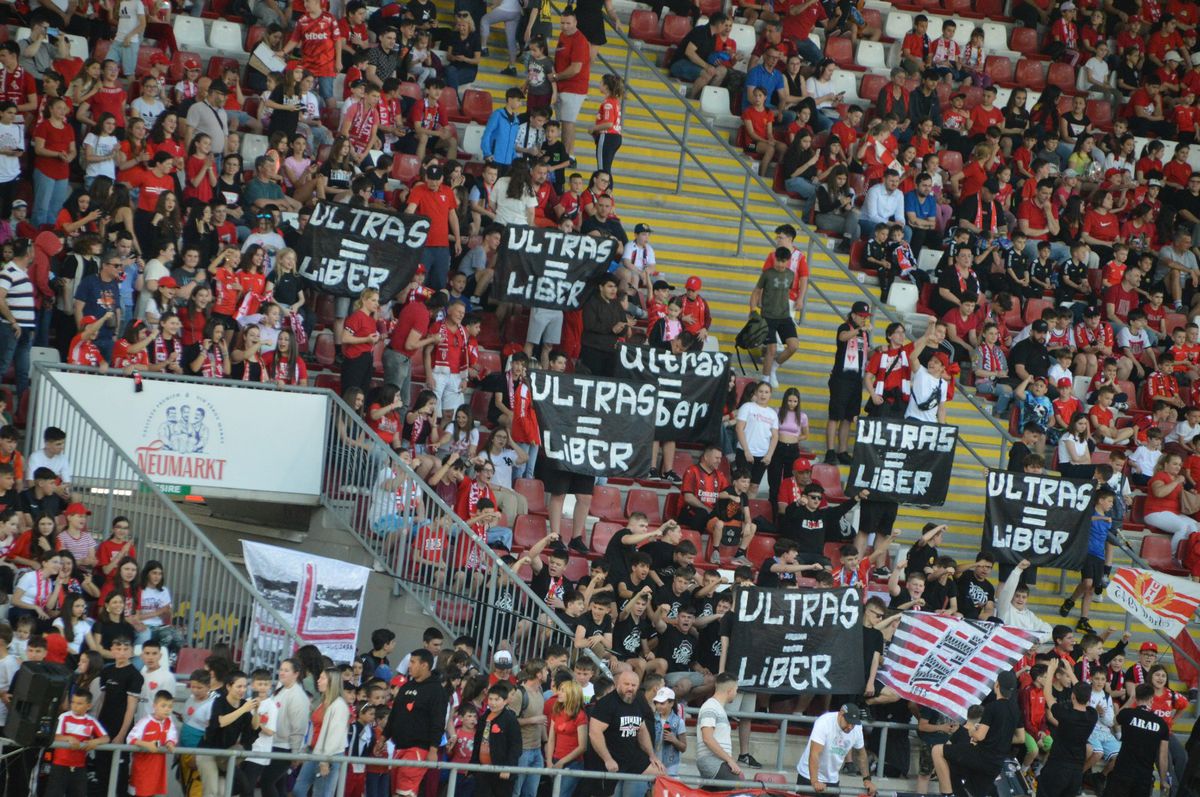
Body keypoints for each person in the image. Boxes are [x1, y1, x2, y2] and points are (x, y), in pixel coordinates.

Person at [932, 670, 1021, 797]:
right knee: (971, 793)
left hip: (981, 756)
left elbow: (979, 736)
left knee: (937, 750)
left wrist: (972, 730)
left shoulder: (992, 707)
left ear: (997, 685)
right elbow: (1020, 737)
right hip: (996, 763)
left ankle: (947, 794)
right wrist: (997, 738)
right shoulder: (1016, 710)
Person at [587, 670, 664, 797]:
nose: (630, 688)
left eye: (633, 685)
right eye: (626, 684)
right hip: (610, 758)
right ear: (618, 684)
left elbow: (642, 729)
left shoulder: (638, 701)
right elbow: (594, 733)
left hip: (631, 756)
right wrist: (608, 759)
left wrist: (652, 755)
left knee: (661, 773)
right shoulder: (606, 703)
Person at [384, 649, 449, 797]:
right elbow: (394, 715)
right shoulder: (406, 686)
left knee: (404, 792)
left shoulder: (437, 691)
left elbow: (438, 722)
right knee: (395, 791)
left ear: (425, 665)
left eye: (413, 662)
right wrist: (383, 737)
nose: (409, 666)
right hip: (398, 747)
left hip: (419, 749)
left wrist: (433, 750)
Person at [1103, 683, 1171, 797]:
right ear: (1151, 699)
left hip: (1122, 772)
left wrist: (1130, 700)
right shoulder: (1161, 723)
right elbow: (1163, 756)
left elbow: (1113, 721)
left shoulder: (1127, 714)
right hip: (1143, 776)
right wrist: (1163, 780)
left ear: (1136, 697)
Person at [293, 667, 351, 797]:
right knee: (299, 789)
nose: (318, 681)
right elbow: (313, 728)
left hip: (329, 755)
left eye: (322, 678)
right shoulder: (322, 702)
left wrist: (325, 759)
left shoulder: (339, 705)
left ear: (332, 682)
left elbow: (334, 736)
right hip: (314, 751)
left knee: (321, 793)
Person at [796, 704, 875, 795]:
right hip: (808, 775)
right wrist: (815, 781)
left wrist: (867, 780)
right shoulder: (824, 721)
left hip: (832, 778)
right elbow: (814, 753)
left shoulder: (857, 728)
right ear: (840, 714)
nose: (850, 726)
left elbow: (861, 754)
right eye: (848, 721)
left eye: (853, 723)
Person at [696, 672, 745, 783]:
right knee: (740, 791)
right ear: (730, 690)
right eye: (736, 689)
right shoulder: (711, 706)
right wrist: (729, 760)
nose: (736, 693)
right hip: (714, 762)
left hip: (716, 762)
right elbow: (707, 738)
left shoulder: (716, 707)